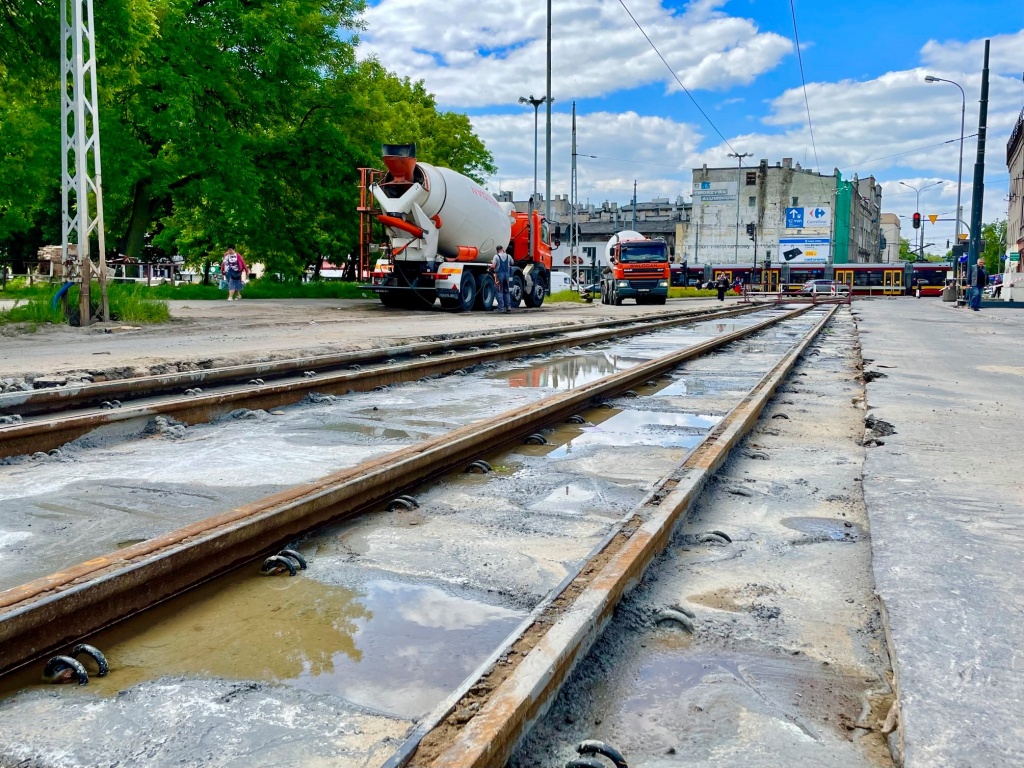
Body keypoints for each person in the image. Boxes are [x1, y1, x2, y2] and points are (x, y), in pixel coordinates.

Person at [490, 245, 513, 313]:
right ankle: (508, 307)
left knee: (499, 291)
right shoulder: (508, 256)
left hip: (499, 276)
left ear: (497, 250)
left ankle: (501, 308)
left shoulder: (496, 256)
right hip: (507, 276)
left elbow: (493, 266)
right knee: (506, 291)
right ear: (503, 249)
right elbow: (512, 263)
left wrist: (490, 269)